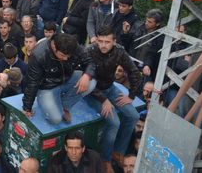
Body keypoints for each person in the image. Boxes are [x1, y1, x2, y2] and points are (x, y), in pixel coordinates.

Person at [87, 26, 141, 172]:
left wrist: (131, 95)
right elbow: (85, 81)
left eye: (107, 42)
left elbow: (134, 72)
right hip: (92, 92)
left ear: (114, 41)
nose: (103, 45)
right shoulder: (90, 51)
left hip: (110, 88)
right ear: (96, 40)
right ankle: (105, 159)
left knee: (133, 115)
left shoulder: (119, 51)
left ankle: (118, 152)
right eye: (100, 41)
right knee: (114, 122)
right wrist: (104, 100)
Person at [22, 34, 96, 125]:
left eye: (68, 56)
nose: (65, 58)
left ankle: (65, 104)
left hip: (67, 78)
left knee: (91, 82)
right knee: (56, 119)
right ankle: (44, 100)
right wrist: (27, 108)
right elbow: (32, 83)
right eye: (62, 55)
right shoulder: (38, 55)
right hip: (46, 87)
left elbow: (90, 61)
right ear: (54, 46)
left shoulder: (72, 44)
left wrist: (87, 75)